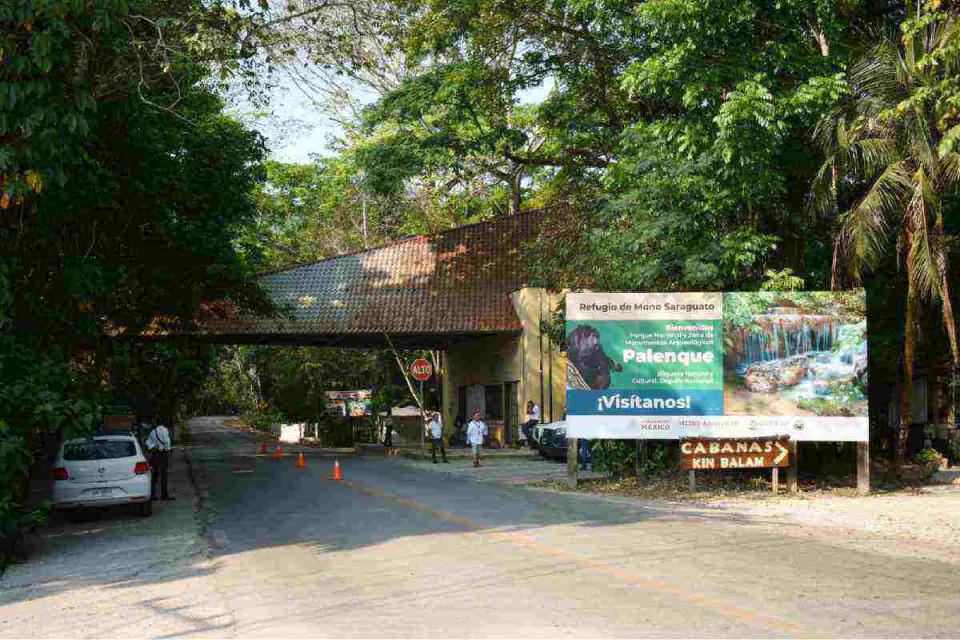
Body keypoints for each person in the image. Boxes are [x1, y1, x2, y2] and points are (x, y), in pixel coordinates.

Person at [146, 423, 173, 501]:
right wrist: (168, 449)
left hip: (155, 454)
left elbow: (148, 442)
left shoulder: (153, 432)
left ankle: (153, 495)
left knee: (154, 475)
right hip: (163, 454)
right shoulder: (165, 430)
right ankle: (164, 495)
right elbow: (167, 441)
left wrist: (153, 447)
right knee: (164, 475)